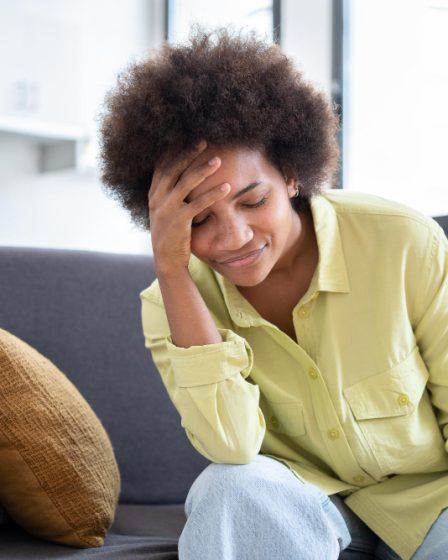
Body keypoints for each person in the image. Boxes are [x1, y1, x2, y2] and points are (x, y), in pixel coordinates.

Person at [98, 24, 448, 560]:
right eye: (198, 219)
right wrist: (171, 270)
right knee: (228, 486)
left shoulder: (401, 241)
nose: (233, 238)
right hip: (303, 510)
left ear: (290, 175)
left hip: (431, 506)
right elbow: (231, 446)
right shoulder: (168, 303)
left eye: (253, 201)